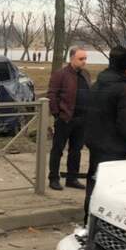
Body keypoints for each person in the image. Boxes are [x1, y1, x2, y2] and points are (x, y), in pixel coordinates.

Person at [84, 47, 126, 223]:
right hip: (114, 149)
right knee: (111, 194)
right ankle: (104, 230)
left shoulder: (98, 84)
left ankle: (88, 223)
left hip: (96, 145)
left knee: (95, 187)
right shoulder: (125, 91)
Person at [46, 46, 90, 191]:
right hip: (65, 118)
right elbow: (52, 95)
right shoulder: (61, 74)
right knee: (57, 149)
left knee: (76, 150)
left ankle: (72, 178)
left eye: (85, 59)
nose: (84, 62)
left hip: (82, 119)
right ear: (72, 59)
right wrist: (57, 114)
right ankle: (53, 178)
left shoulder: (86, 75)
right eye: (81, 59)